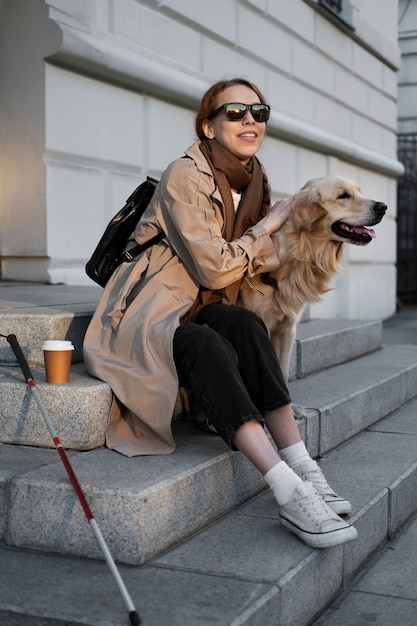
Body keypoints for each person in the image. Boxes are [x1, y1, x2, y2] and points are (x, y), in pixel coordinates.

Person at [84, 78, 357, 549]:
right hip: (148, 314)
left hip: (199, 305)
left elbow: (262, 260)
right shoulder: (185, 175)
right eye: (235, 112)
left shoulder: (254, 179)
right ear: (208, 126)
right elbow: (214, 268)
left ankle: (304, 466)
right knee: (207, 342)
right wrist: (267, 227)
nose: (250, 120)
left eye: (258, 111)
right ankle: (288, 490)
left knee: (246, 325)